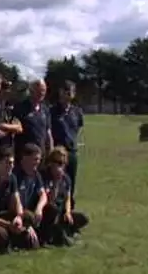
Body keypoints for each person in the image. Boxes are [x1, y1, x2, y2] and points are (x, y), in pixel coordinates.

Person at [0, 147, 38, 253]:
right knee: (1, 234)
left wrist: (19, 217)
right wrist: (8, 225)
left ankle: (18, 238)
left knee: (29, 217)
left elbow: (17, 201)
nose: (11, 166)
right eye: (8, 163)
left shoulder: (12, 178)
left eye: (12, 163)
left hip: (1, 214)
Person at [40, 146, 89, 246]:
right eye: (55, 162)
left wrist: (67, 212)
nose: (58, 166)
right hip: (49, 213)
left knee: (83, 218)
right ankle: (53, 235)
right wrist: (56, 183)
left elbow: (67, 198)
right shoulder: (45, 176)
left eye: (61, 163)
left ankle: (66, 229)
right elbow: (50, 201)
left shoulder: (66, 178)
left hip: (61, 212)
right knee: (52, 210)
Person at [49, 80, 84, 210]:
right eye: (65, 91)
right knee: (57, 181)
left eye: (70, 92)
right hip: (58, 152)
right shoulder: (52, 111)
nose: (67, 95)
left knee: (71, 182)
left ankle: (69, 211)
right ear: (60, 92)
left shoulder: (77, 112)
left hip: (72, 151)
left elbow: (77, 129)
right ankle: (56, 209)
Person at [13, 143, 49, 245]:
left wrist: (39, 208)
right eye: (35, 159)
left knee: (51, 209)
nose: (38, 162)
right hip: (18, 212)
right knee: (32, 244)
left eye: (39, 159)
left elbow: (43, 195)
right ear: (25, 158)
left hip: (31, 211)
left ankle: (44, 237)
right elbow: (15, 201)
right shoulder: (16, 175)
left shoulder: (36, 174)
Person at [14, 79, 53, 162]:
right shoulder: (20, 108)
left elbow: (48, 133)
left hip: (41, 155)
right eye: (39, 90)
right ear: (31, 91)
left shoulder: (45, 109)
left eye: (44, 90)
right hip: (25, 156)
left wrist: (50, 151)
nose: (42, 93)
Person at [0, 80, 22, 149]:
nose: (7, 92)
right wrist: (11, 128)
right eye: (4, 89)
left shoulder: (9, 109)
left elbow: (19, 128)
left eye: (8, 89)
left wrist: (1, 126)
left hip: (7, 146)